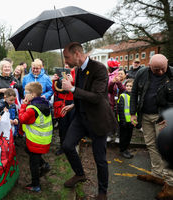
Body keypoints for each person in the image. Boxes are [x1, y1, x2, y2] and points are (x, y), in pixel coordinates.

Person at [61, 42, 118, 200]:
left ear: (77, 54)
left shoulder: (99, 68)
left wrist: (71, 89)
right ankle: (80, 174)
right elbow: (84, 93)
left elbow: (97, 97)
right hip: (81, 117)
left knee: (100, 159)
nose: (66, 61)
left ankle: (102, 192)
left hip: (97, 119)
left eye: (67, 57)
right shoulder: (78, 69)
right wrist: (73, 104)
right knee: (67, 145)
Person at [130, 54, 173, 199]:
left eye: (163, 69)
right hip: (145, 115)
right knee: (151, 145)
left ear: (167, 64)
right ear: (149, 66)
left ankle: (170, 185)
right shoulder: (141, 73)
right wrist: (133, 113)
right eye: (156, 69)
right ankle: (157, 174)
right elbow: (134, 92)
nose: (160, 72)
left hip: (163, 118)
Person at [19, 82, 52, 192]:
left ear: (32, 95)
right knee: (27, 150)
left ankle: (35, 185)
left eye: (26, 92)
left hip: (36, 141)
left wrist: (23, 105)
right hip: (44, 140)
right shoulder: (44, 103)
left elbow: (22, 119)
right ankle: (45, 165)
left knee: (33, 164)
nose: (24, 93)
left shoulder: (32, 108)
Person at [51, 67, 76, 156]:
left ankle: (71, 146)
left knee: (72, 125)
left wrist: (72, 81)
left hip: (73, 102)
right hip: (61, 102)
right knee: (62, 125)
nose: (66, 65)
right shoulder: (60, 72)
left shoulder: (77, 72)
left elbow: (80, 89)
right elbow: (54, 90)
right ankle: (63, 146)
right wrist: (54, 81)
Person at [117, 79, 134, 159]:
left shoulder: (134, 96)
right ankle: (123, 150)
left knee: (129, 136)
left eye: (131, 86)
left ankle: (126, 149)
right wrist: (122, 121)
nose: (129, 87)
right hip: (124, 121)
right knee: (123, 136)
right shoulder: (123, 96)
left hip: (131, 121)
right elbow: (120, 109)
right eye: (127, 86)